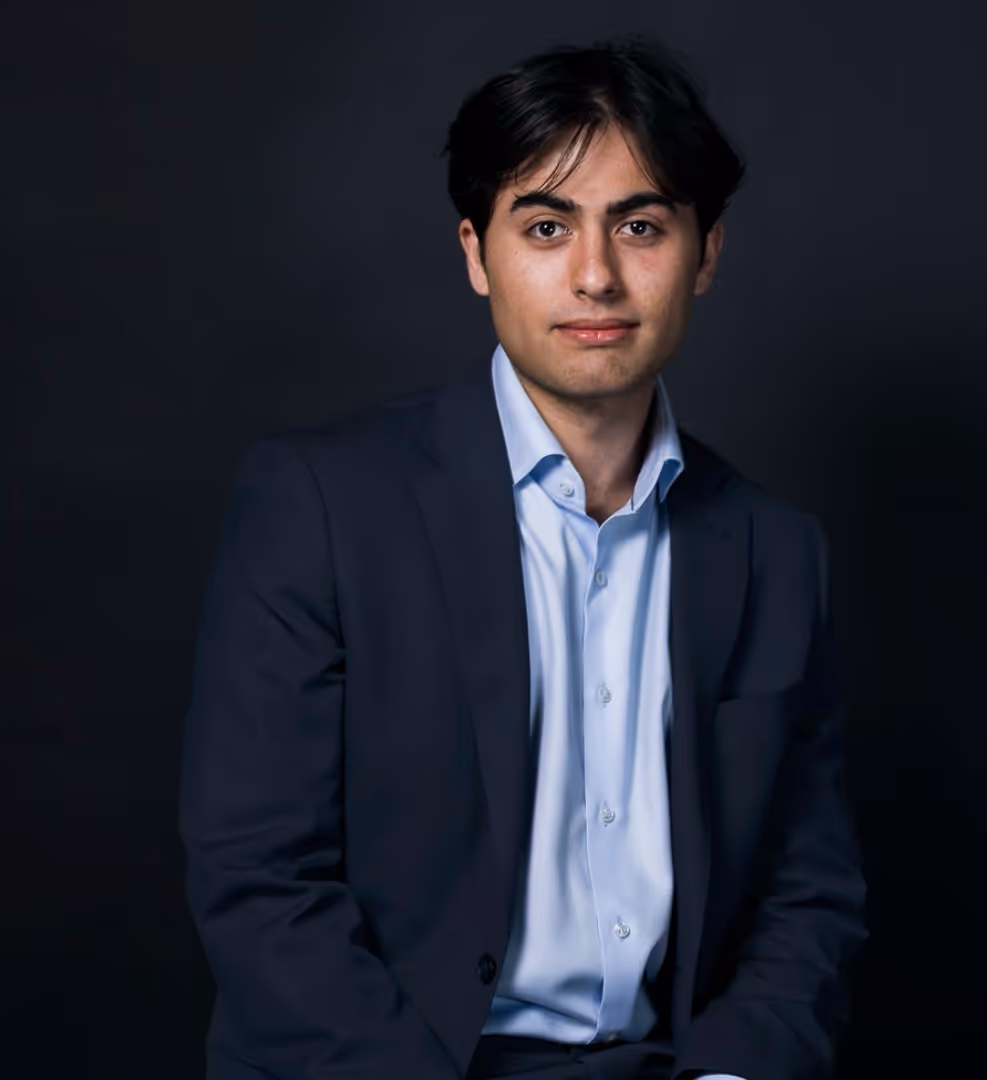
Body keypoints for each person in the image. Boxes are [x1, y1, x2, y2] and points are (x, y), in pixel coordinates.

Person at [179, 36, 868, 1080]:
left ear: (706, 254)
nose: (595, 275)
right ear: (475, 253)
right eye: (546, 226)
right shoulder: (320, 503)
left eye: (640, 226)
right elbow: (259, 878)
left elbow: (804, 894)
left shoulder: (776, 551)